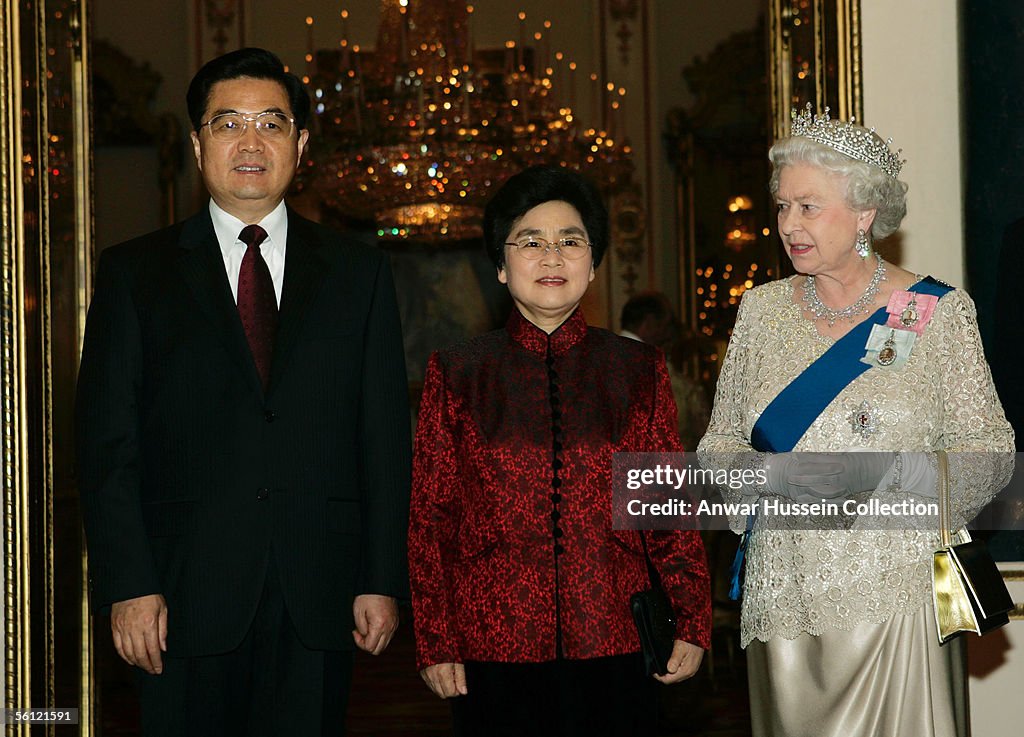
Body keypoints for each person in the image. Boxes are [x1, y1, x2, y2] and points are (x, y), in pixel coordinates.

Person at [75, 48, 411, 736]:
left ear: (301, 143)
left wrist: (380, 575)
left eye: (272, 123)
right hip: (179, 596)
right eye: (228, 124)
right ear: (198, 144)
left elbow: (382, 436)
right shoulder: (135, 275)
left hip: (318, 592)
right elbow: (108, 444)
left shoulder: (360, 274)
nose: (251, 142)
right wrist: (129, 582)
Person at [697, 105, 1014, 737]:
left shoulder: (929, 313)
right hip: (787, 595)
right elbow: (719, 443)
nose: (789, 224)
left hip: (903, 597)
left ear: (865, 212)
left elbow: (991, 448)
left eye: (808, 206)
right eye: (783, 206)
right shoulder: (761, 313)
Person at [408, 165, 711, 736]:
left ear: (592, 264)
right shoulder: (457, 372)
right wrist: (435, 639)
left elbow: (667, 508)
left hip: (615, 639)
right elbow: (431, 520)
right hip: (491, 648)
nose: (552, 257)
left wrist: (692, 618)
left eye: (570, 242)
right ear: (500, 264)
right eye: (530, 242)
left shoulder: (636, 371)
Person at [620, 292, 711, 448]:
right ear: (649, 323)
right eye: (666, 326)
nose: (668, 334)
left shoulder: (601, 358)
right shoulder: (659, 373)